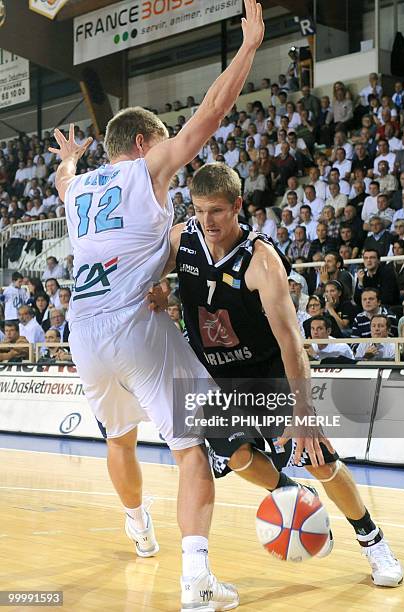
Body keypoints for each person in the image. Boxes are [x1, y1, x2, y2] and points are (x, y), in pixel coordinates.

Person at [48, 3, 265, 608]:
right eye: (163, 146)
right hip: (133, 325)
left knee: (118, 439)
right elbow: (212, 113)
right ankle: (195, 577)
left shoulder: (78, 189)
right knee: (190, 444)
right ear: (144, 144)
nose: (171, 157)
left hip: (82, 334)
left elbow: (64, 179)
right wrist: (248, 44)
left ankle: (138, 528)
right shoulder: (147, 170)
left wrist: (69, 157)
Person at [162, 162, 403, 587]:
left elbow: (292, 340)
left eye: (216, 210)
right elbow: (145, 269)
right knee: (235, 457)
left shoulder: (262, 261)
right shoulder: (182, 240)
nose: (207, 221)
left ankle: (373, 539)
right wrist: (160, 289)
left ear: (238, 205)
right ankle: (292, 493)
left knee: (320, 458)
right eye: (199, 210)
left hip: (265, 374)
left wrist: (304, 410)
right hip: (211, 378)